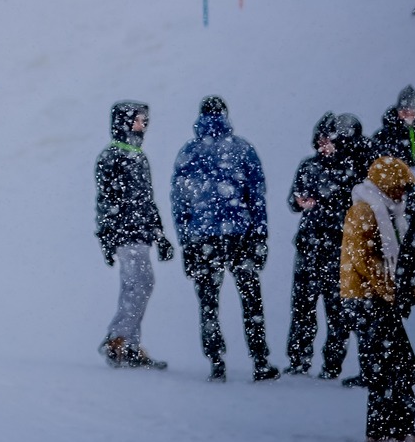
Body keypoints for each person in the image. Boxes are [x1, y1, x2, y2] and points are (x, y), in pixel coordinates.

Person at [171, 96, 278, 381]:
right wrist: (259, 235)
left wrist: (186, 239)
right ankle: (260, 360)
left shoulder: (189, 152)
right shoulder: (242, 149)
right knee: (251, 298)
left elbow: (180, 201)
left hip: (202, 238)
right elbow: (256, 197)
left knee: (208, 302)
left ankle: (216, 360)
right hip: (238, 234)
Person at [340, 156, 415, 442]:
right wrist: (391, 291)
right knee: (394, 365)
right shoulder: (364, 211)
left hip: (371, 298)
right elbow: (363, 260)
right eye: (400, 186)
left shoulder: (386, 211)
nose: (403, 193)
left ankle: (385, 429)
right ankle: (395, 430)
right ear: (387, 184)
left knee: (387, 365)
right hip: (365, 300)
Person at [94, 100, 173, 368]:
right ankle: (118, 339)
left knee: (137, 286)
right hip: (125, 233)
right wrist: (107, 236)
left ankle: (128, 344)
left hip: (140, 232)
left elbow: (148, 201)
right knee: (139, 285)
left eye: (144, 120)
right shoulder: (112, 156)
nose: (143, 125)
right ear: (123, 122)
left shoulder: (138, 157)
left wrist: (159, 234)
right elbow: (105, 201)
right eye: (138, 120)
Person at [285, 113, 364, 378]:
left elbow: (352, 206)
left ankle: (332, 365)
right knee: (303, 308)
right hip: (309, 247)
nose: (323, 146)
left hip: (338, 250)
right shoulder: (308, 166)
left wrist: (326, 202)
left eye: (328, 140)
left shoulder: (351, 169)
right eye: (320, 140)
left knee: (337, 312)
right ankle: (299, 360)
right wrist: (299, 202)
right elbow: (292, 200)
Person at [369, 85, 415, 169]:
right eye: (405, 111)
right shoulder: (383, 137)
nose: (409, 115)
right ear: (398, 111)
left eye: (413, 111)